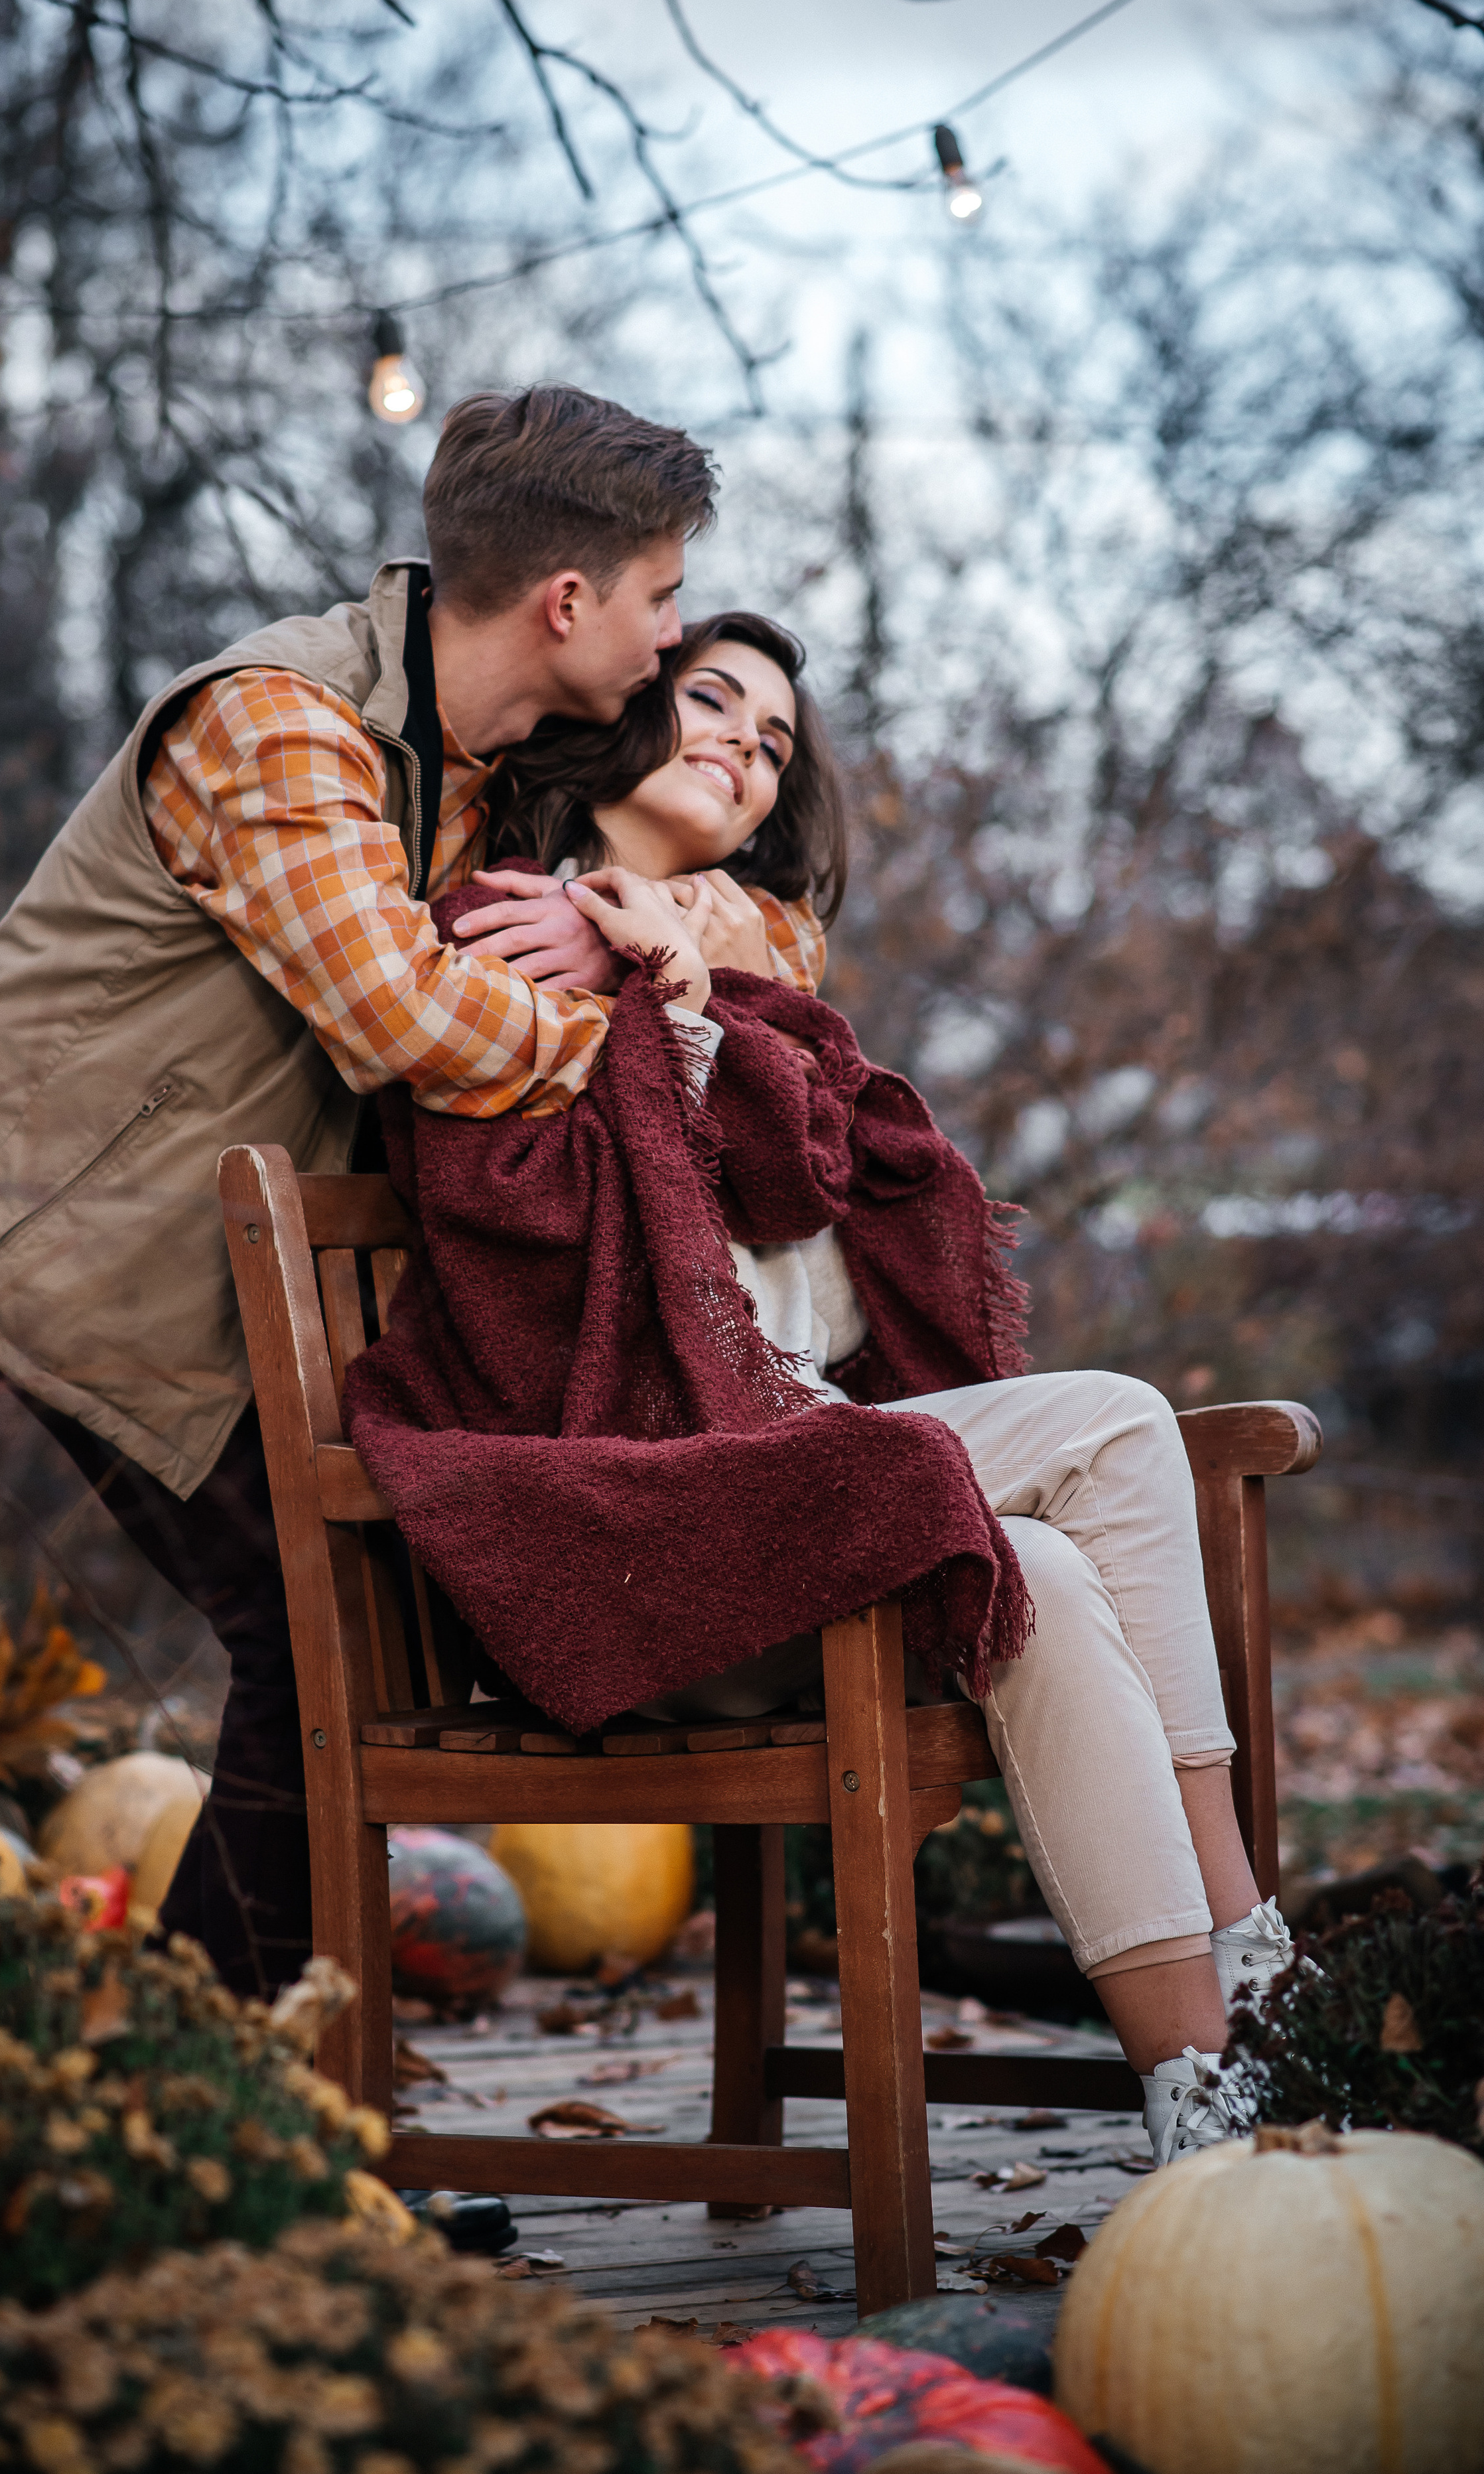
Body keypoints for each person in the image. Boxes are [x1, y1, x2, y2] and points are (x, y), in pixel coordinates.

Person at [0, 387, 827, 1998]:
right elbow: (413, 1024)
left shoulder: (491, 750)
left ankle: (244, 2080)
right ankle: (194, 2087)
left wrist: (630, 927)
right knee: (311, 1644)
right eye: (663, 600)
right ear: (569, 603)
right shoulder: (283, 725)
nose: (675, 646)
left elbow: (776, 930)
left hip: (245, 1265)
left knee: (353, 1644)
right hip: (71, 1241)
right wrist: (637, 1026)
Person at [349, 610, 1296, 2168]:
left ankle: (1203, 2093)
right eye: (711, 699)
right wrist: (646, 988)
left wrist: (686, 990)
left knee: (1044, 1566)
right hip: (650, 1531)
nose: (741, 742)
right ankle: (1248, 1928)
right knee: (1118, 1418)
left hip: (785, 1505)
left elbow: (803, 1186)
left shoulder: (715, 965)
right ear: (625, 710)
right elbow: (516, 1233)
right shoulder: (495, 930)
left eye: (773, 741)